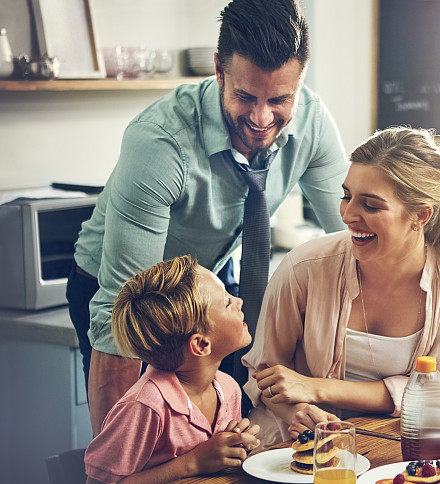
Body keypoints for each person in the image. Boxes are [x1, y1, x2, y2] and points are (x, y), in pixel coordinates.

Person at [66, 0, 348, 435]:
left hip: (213, 283)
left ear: (301, 81)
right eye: (245, 96)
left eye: (279, 99)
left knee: (216, 430)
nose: (261, 118)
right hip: (126, 295)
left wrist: (418, 374)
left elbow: (355, 240)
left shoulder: (312, 123)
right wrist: (114, 475)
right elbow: (114, 313)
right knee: (148, 434)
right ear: (219, 69)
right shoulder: (160, 143)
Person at [242, 127, 440, 446]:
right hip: (298, 435)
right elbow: (264, 374)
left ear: (420, 216)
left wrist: (317, 387)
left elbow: (430, 391)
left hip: (394, 435)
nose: (348, 215)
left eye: (371, 205)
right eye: (346, 196)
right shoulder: (305, 267)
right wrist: (297, 410)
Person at [82, 256, 260, 484]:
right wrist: (193, 462)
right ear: (201, 345)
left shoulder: (228, 388)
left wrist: (232, 447)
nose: (239, 301)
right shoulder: (146, 405)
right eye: (227, 302)